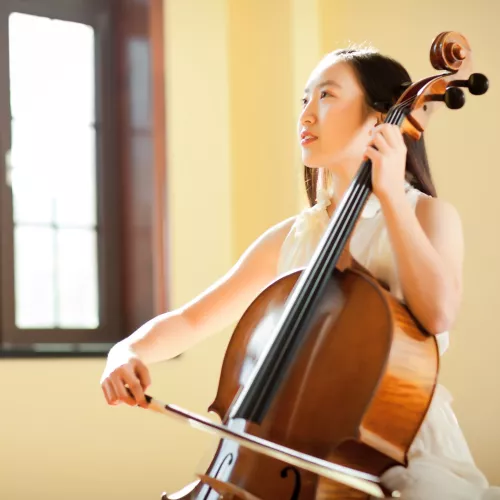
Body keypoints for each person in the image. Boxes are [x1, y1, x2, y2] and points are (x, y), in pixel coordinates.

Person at [100, 46, 499, 499]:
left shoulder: (427, 216)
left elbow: (438, 314)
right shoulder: (290, 236)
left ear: (381, 119)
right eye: (303, 100)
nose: (306, 115)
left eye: (326, 96)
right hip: (285, 454)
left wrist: (388, 193)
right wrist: (127, 350)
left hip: (394, 450)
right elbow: (193, 320)